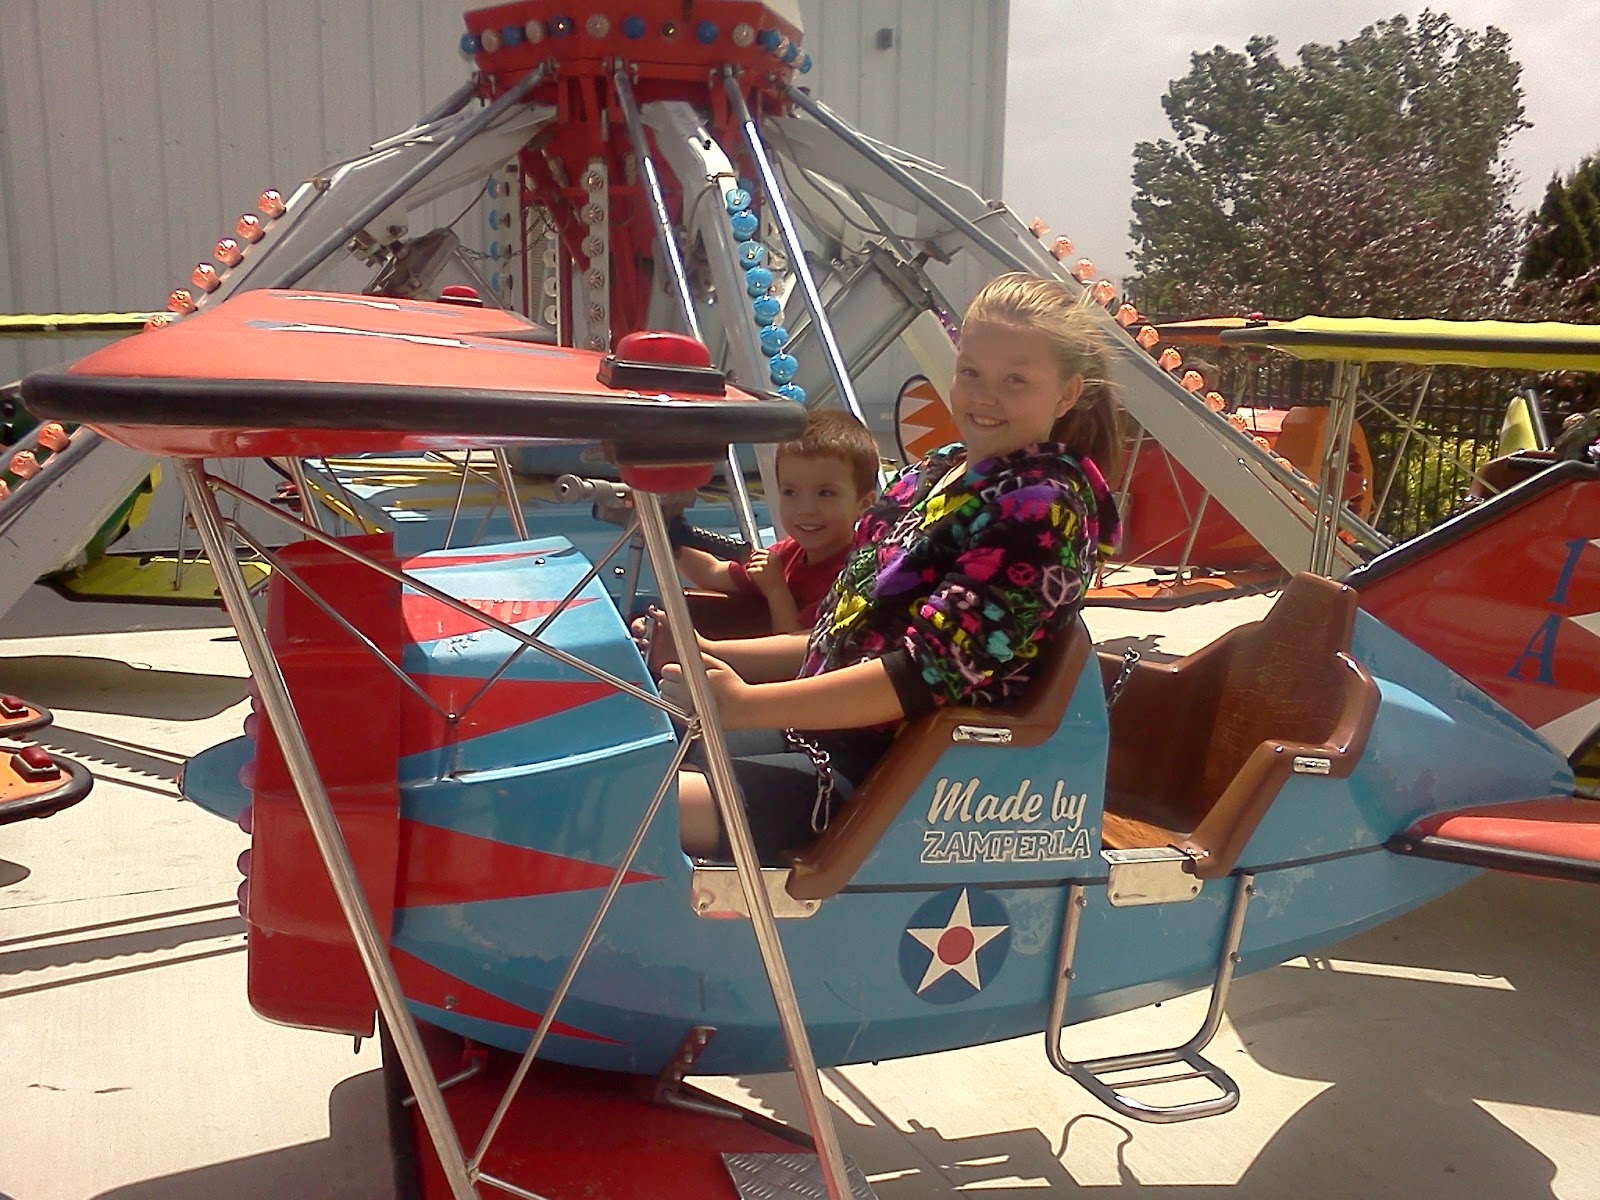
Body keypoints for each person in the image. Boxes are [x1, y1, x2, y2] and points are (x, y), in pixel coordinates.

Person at [662, 272, 1124, 862]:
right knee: (626, 745)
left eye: (1015, 380)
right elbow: (844, 633)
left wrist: (746, 704)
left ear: (1065, 394)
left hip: (889, 785)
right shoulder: (936, 473)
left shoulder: (1041, 511)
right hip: (819, 734)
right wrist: (703, 653)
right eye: (971, 372)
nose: (984, 396)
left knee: (620, 799)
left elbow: (919, 675)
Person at [667, 408, 879, 632]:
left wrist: (776, 590)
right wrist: (669, 531)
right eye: (790, 492)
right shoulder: (787, 553)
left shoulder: (852, 575)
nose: (805, 509)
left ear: (864, 504)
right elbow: (712, 573)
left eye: (825, 493)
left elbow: (799, 646)